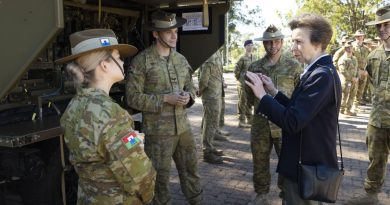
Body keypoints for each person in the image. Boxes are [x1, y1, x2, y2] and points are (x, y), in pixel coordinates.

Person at [245, 13, 341, 205]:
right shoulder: (316, 71)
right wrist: (273, 91)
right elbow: (296, 110)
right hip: (302, 164)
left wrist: (262, 96)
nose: (292, 47)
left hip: (305, 166)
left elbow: (292, 121)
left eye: (298, 41)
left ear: (317, 43)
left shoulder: (321, 75)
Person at [57, 29, 156, 205]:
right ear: (104, 65)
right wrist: (146, 198)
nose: (122, 62)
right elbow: (140, 175)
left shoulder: (73, 107)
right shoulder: (110, 114)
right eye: (118, 57)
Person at [126, 10, 203, 205]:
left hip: (183, 129)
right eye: (168, 31)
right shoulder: (142, 61)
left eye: (176, 30)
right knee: (159, 180)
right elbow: (132, 98)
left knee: (191, 172)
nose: (174, 35)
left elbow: (191, 87)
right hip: (158, 134)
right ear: (155, 34)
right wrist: (165, 99)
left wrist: (189, 97)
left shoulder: (181, 60)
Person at [245, 24, 302, 204]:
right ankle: (261, 194)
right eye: (268, 42)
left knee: (287, 162)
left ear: (282, 42)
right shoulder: (254, 67)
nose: (272, 46)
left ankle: (286, 194)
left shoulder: (294, 66)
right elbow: (247, 95)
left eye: (276, 41)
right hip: (261, 124)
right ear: (263, 44)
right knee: (260, 161)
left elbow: (299, 96)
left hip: (284, 123)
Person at [344, 5, 390, 205]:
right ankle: (371, 196)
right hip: (377, 119)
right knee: (376, 159)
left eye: (387, 24)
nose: (382, 29)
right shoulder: (373, 56)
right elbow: (372, 82)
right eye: (379, 26)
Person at [197, 50, 225, 164]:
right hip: (211, 96)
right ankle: (207, 152)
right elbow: (203, 79)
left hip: (216, 94)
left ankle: (210, 147)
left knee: (211, 122)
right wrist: (200, 90)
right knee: (209, 124)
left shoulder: (217, 53)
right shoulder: (210, 56)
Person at [234, 39, 257, 128]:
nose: (250, 47)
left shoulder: (254, 57)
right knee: (242, 102)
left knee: (249, 102)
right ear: (245, 47)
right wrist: (240, 79)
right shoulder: (242, 58)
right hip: (242, 84)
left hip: (251, 84)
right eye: (248, 45)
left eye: (251, 45)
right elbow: (236, 70)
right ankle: (241, 121)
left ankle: (250, 119)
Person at [338, 40, 359, 116]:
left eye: (350, 47)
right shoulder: (342, 59)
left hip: (354, 81)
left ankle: (348, 110)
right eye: (347, 48)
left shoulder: (354, 58)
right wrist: (351, 78)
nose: (349, 49)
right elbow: (343, 70)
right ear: (345, 49)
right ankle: (341, 110)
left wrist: (357, 77)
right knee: (344, 96)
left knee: (352, 95)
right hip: (346, 81)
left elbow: (357, 69)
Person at [352, 30, 370, 108]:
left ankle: (356, 105)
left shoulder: (366, 48)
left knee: (361, 89)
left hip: (364, 71)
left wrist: (367, 70)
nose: (359, 37)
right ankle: (351, 106)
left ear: (363, 37)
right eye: (358, 36)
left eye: (361, 36)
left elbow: (369, 60)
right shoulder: (351, 46)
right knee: (354, 89)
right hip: (355, 71)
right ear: (355, 37)